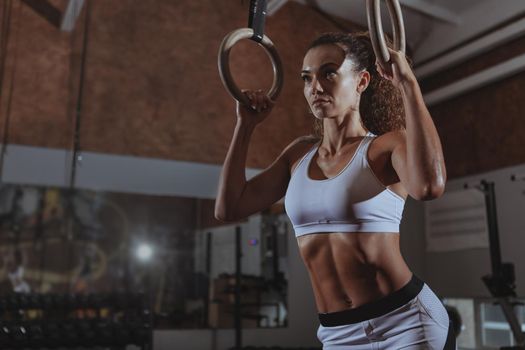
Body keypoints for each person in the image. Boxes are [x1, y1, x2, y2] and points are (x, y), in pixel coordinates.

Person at [215, 31, 455, 349]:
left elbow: (429, 186)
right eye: (307, 78)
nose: (315, 87)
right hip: (337, 333)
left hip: (404, 323)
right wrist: (244, 126)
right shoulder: (297, 156)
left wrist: (408, 85)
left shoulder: (386, 147)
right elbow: (229, 209)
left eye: (329, 73)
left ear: (362, 81)